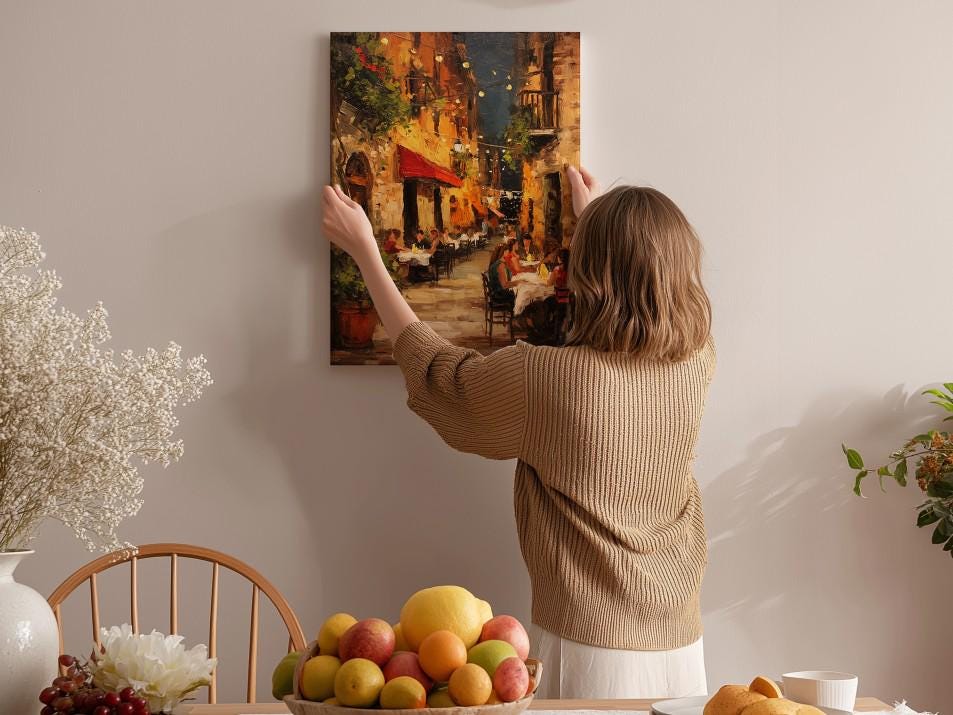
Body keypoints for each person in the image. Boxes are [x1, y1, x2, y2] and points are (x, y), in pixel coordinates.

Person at [321, 165, 715, 699]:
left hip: (588, 646)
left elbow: (439, 374)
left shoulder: (546, 378)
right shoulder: (698, 360)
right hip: (682, 642)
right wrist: (596, 223)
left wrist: (366, 251)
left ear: (588, 271)